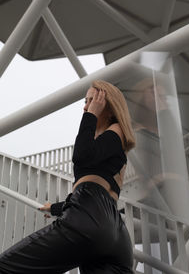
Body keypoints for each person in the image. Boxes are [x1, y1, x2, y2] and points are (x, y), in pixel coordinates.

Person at [0, 80, 135, 274]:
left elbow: (81, 157)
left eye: (92, 100)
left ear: (109, 106)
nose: (86, 106)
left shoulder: (115, 132)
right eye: (86, 101)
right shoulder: (108, 144)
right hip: (114, 233)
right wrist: (54, 208)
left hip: (90, 222)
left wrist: (91, 116)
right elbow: (96, 196)